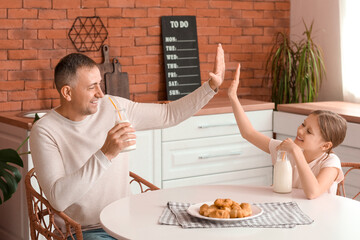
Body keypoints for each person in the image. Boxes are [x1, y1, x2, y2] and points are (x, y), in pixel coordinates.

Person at [30, 44, 225, 239]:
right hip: (85, 231)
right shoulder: (46, 130)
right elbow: (58, 199)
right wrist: (106, 153)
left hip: (125, 222)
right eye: (92, 87)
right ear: (67, 93)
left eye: (99, 83)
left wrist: (210, 88)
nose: (100, 93)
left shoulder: (114, 106)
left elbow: (169, 114)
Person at [228, 63, 347, 200]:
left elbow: (312, 193)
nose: (300, 130)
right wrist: (233, 97)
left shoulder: (330, 162)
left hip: (318, 218)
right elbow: (248, 133)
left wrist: (295, 151)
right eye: (303, 124)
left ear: (326, 145)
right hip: (287, 212)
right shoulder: (287, 150)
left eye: (308, 131)